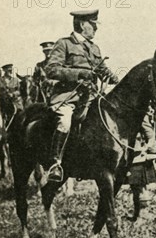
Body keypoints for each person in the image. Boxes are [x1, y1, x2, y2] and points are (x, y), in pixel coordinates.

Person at [44, 10, 119, 182]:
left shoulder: (94, 48)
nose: (95, 29)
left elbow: (101, 69)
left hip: (91, 95)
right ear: (82, 25)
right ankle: (56, 163)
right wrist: (78, 74)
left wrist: (112, 77)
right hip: (68, 96)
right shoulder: (64, 44)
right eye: (93, 25)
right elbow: (51, 69)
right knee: (64, 121)